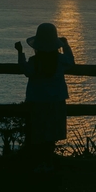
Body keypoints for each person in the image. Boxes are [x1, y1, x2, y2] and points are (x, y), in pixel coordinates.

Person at [15, 22, 74, 172]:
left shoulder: (35, 62)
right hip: (56, 100)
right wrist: (66, 45)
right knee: (51, 134)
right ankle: (48, 163)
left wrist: (20, 52)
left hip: (38, 101)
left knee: (38, 132)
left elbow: (25, 70)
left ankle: (38, 163)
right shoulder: (60, 60)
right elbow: (71, 61)